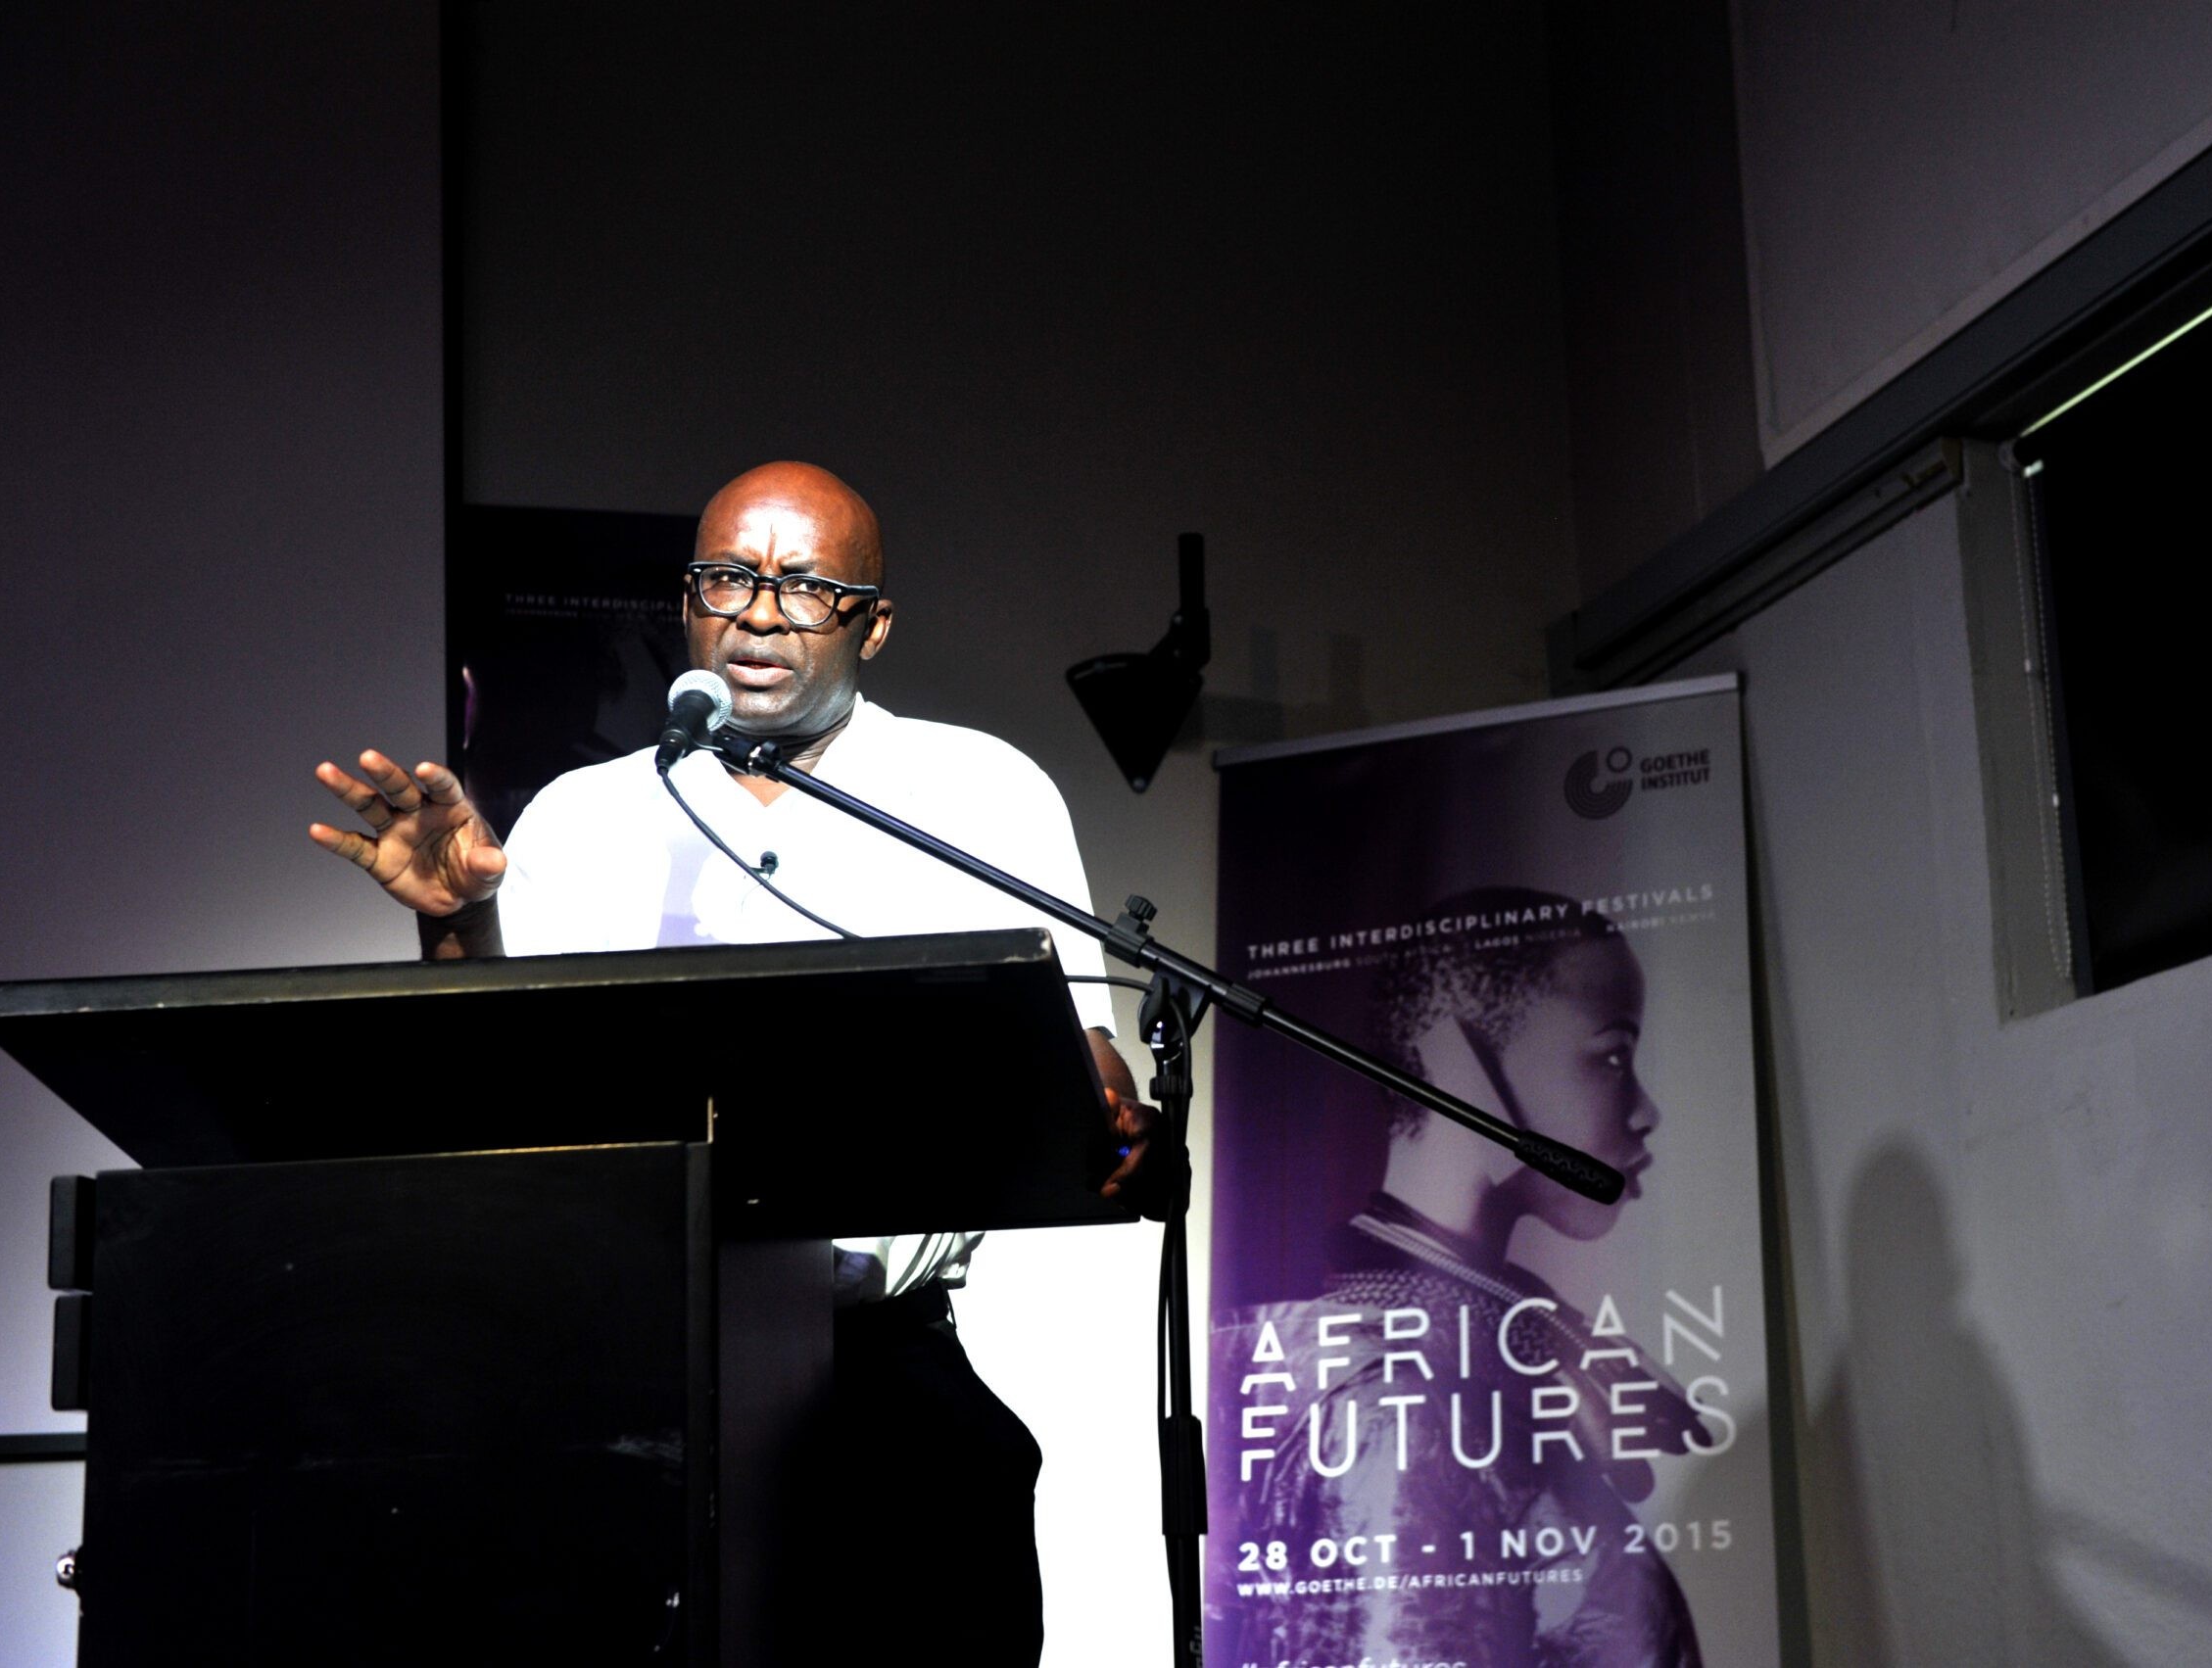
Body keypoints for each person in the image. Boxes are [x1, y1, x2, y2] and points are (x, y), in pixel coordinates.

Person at [308, 460, 1150, 1664]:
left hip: (879, 1368)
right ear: (687, 599)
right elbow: (501, 1095)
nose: (757, 613)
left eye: (804, 587)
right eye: (725, 579)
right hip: (633, 1368)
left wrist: (1107, 1107)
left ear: (874, 619)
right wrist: (452, 924)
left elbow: (1085, 1064)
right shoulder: (583, 819)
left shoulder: (976, 790)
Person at [1214, 887, 1707, 1668]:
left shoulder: (1486, 1361)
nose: (1645, 1109)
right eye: (1612, 1054)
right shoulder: (1391, 1417)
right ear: (1459, 1064)